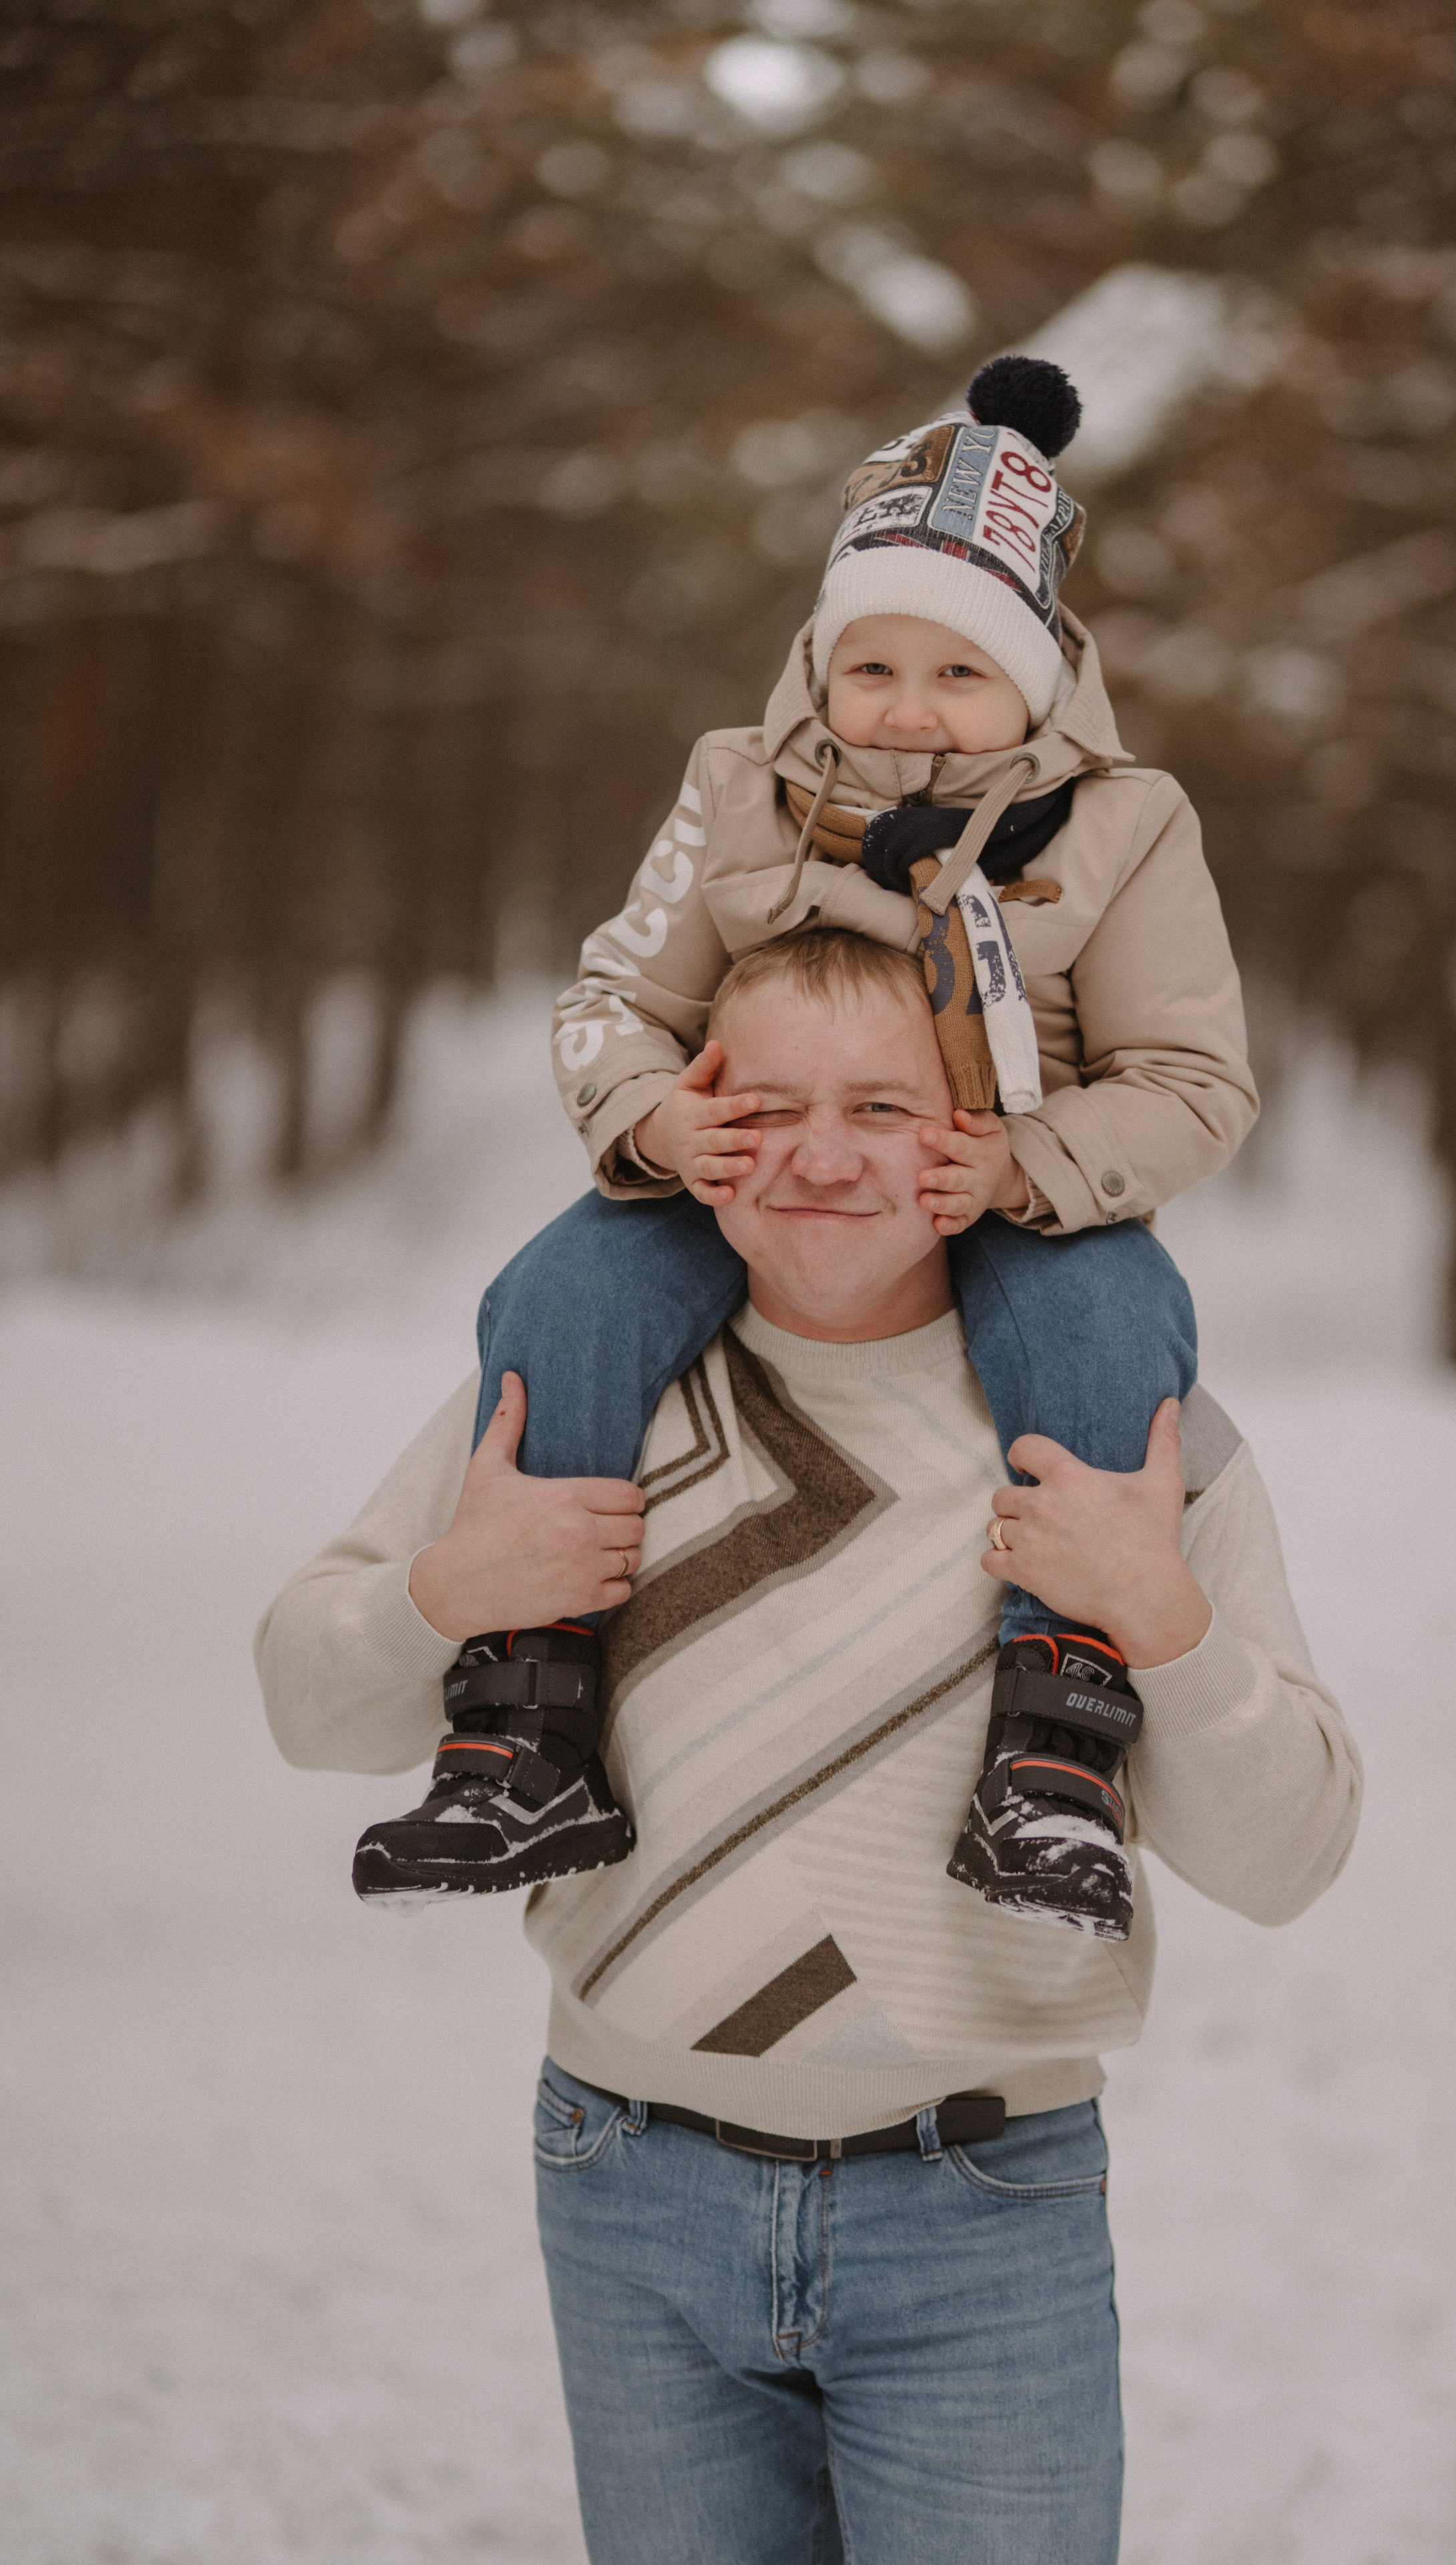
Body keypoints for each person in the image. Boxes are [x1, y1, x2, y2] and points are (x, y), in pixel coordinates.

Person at [257, 934, 1358, 2565]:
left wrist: (1161, 1619)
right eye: (759, 1104)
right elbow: (304, 1699)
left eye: (881, 1106)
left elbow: (1290, 1857)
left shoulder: (1120, 1422)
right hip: (629, 2183)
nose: (821, 1156)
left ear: (977, 1125)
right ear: (685, 1115)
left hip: (982, 2214)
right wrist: (449, 1592)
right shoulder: (579, 1385)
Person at [350, 353, 1258, 1940]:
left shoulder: (1124, 824)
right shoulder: (738, 785)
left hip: (1011, 1177)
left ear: (1037, 679)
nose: (908, 710)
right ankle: (530, 1702)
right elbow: (613, 996)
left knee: (1113, 1325)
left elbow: (1192, 1080)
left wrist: (1028, 1171)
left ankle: (1056, 1734)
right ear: (818, 661)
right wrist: (656, 1115)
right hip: (762, 1167)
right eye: (873, 665)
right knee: (564, 1292)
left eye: (959, 674)